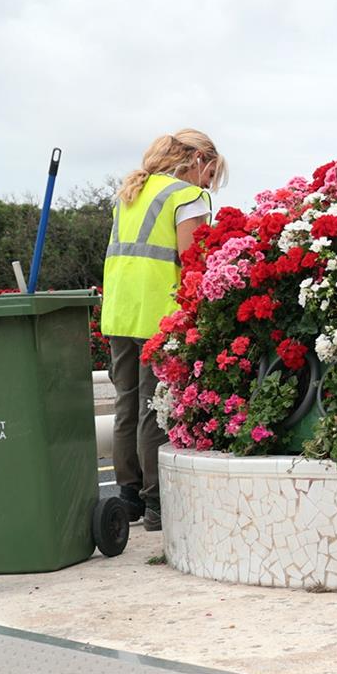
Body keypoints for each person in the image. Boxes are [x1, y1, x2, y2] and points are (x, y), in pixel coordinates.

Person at [102, 131, 225, 531]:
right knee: (155, 410)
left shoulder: (131, 192)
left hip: (120, 311)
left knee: (127, 405)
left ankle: (130, 496)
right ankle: (159, 503)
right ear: (196, 159)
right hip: (160, 313)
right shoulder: (186, 196)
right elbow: (193, 260)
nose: (208, 185)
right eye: (210, 175)